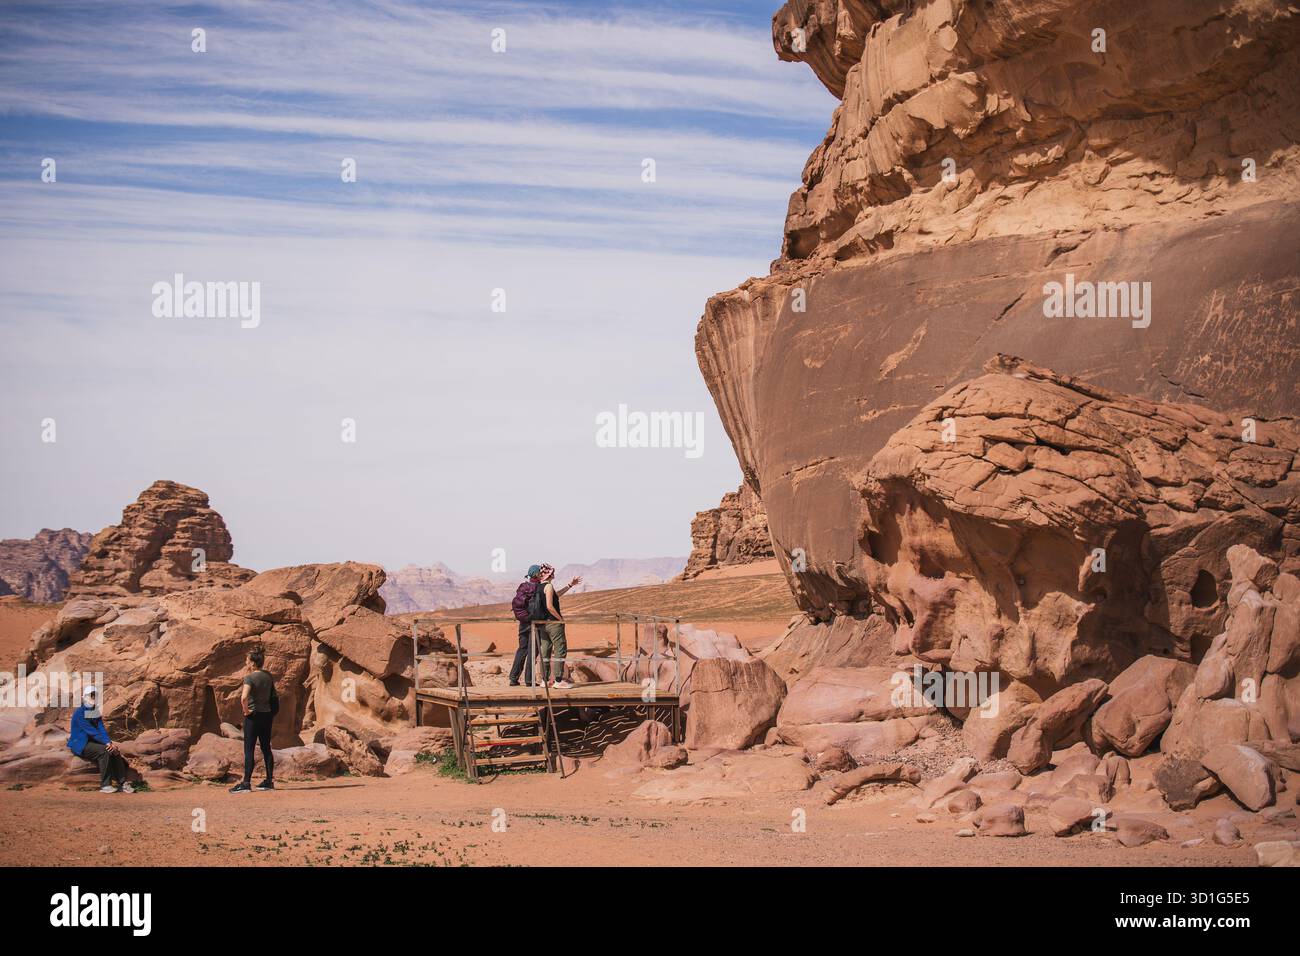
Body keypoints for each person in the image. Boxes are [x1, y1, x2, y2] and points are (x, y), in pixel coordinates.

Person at [67, 685, 133, 794]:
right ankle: (105, 785)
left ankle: (122, 783)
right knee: (104, 752)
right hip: (80, 744)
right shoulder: (80, 712)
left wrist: (110, 743)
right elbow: (92, 731)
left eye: (94, 695)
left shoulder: (94, 710)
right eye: (90, 695)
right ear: (85, 697)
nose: (93, 697)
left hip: (92, 742)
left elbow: (101, 728)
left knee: (115, 751)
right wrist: (107, 743)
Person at [230, 648, 277, 793]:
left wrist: (246, 711)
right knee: (266, 748)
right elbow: (273, 696)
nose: (245, 662)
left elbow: (244, 697)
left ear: (252, 662)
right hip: (267, 715)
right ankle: (269, 781)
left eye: (247, 660)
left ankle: (246, 783)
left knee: (249, 750)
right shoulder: (268, 676)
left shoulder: (249, 678)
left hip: (253, 716)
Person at [536, 564, 581, 688]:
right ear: (549, 573)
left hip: (542, 624)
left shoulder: (539, 586)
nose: (554, 574)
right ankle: (558, 680)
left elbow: (556, 595)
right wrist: (560, 619)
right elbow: (550, 606)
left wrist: (570, 585)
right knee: (560, 650)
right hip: (553, 624)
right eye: (552, 572)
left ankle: (544, 680)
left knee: (545, 651)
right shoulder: (549, 586)